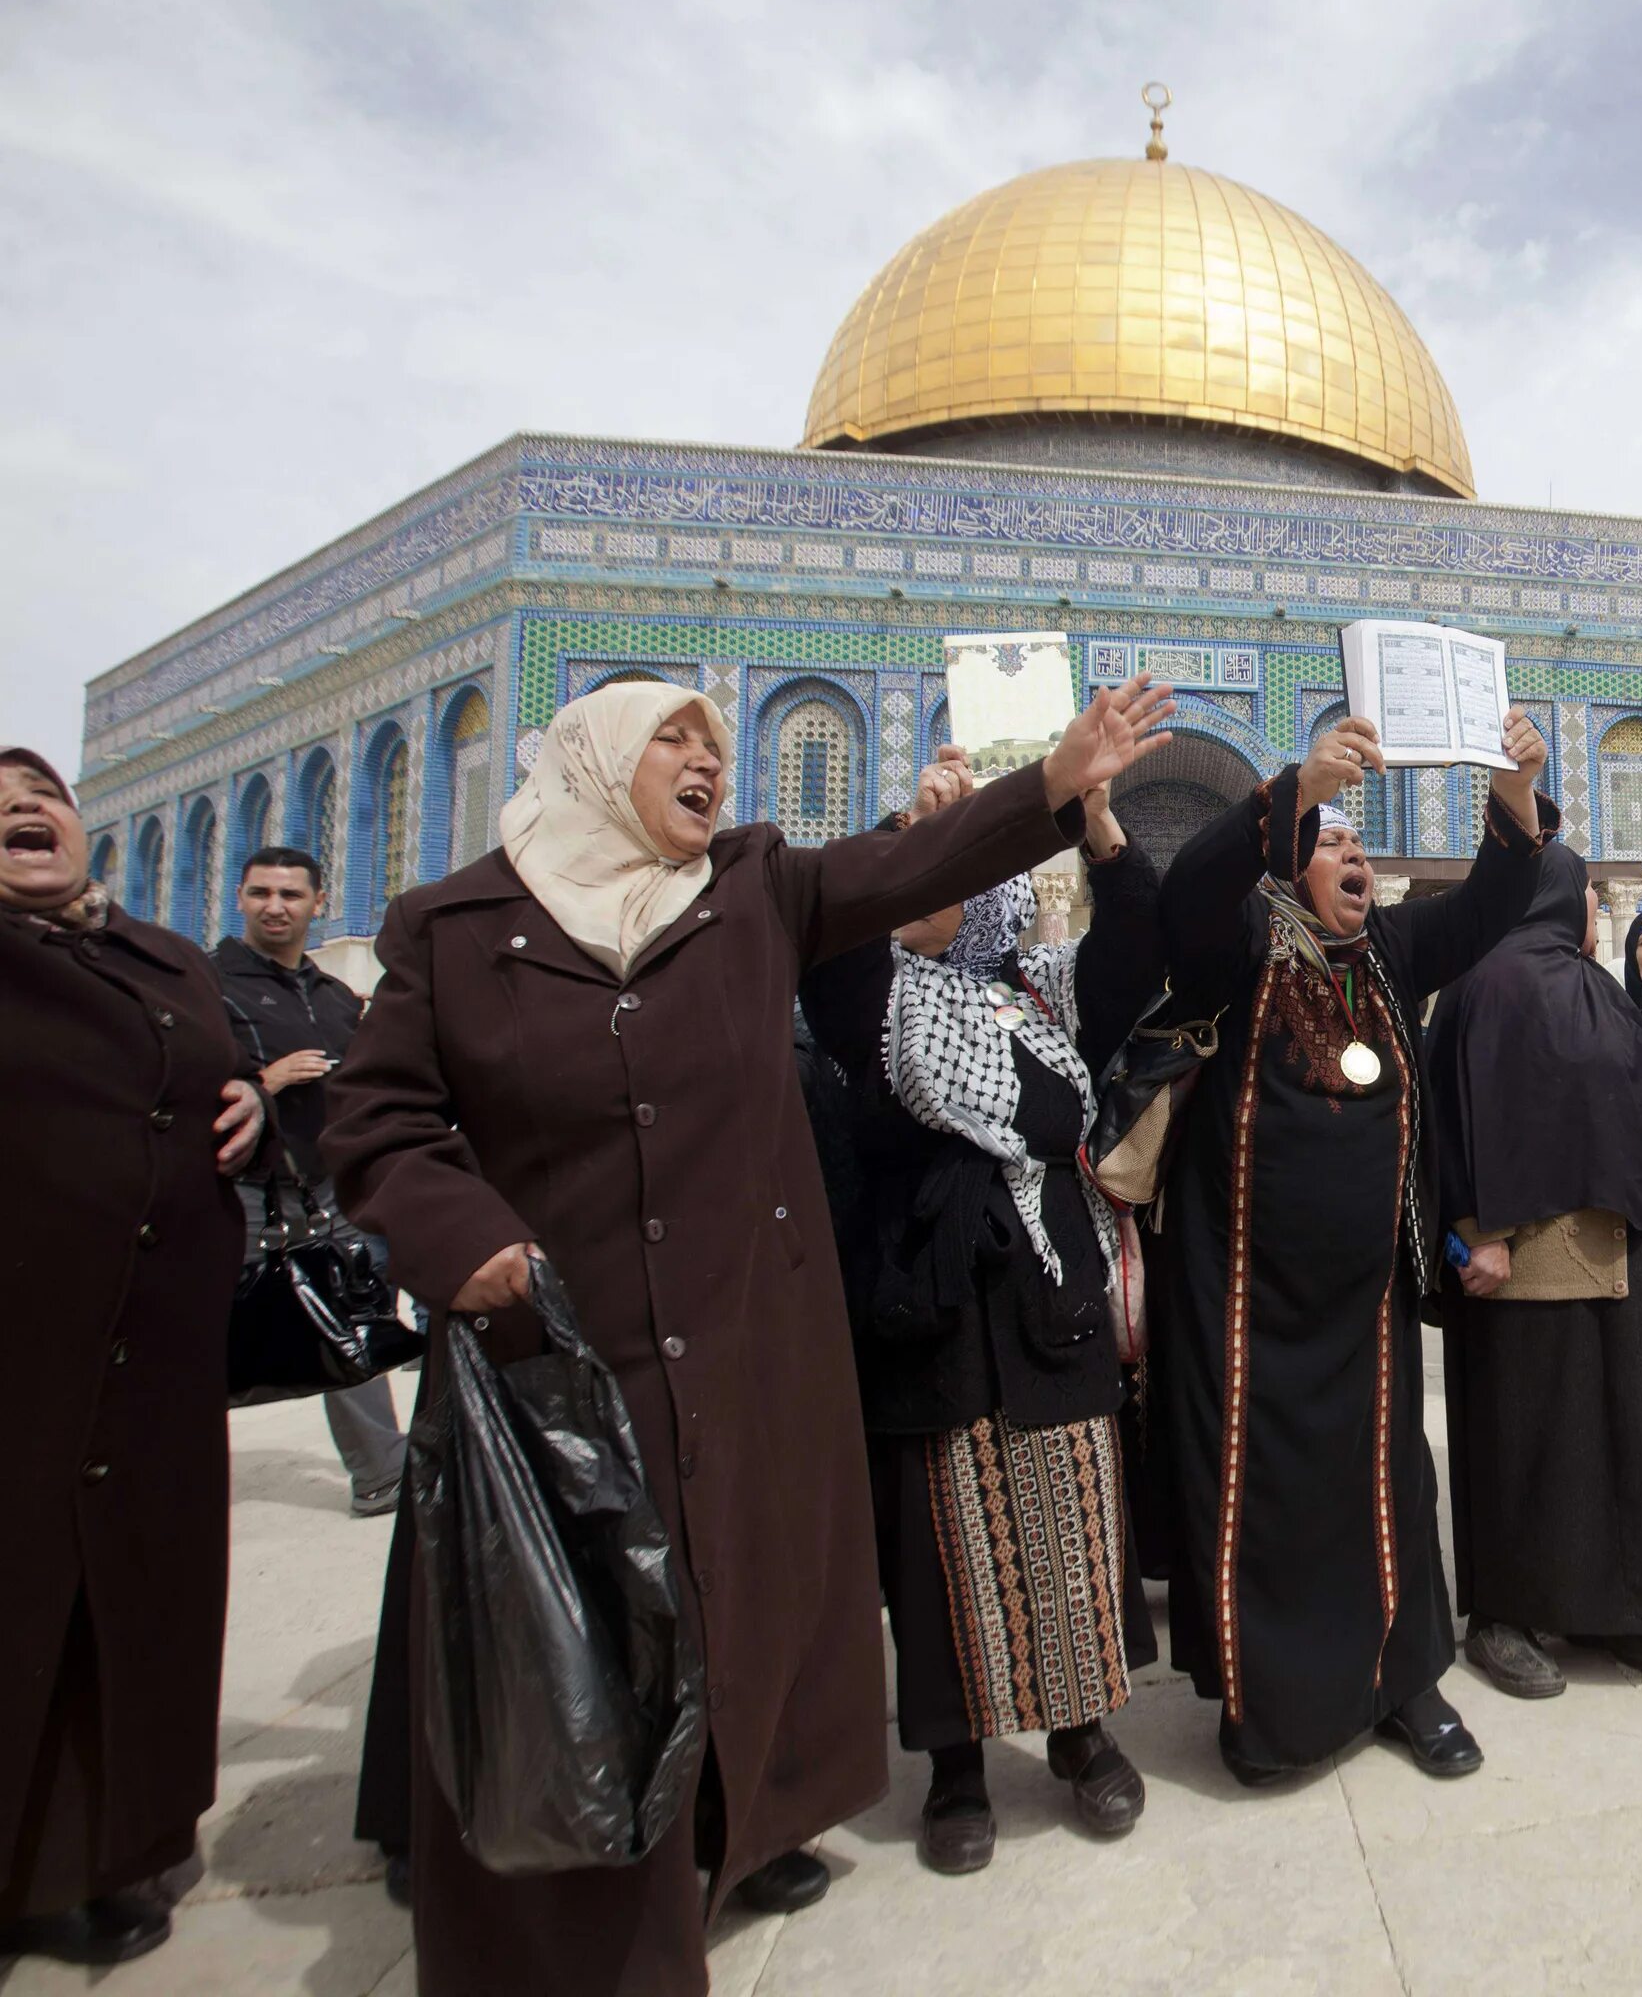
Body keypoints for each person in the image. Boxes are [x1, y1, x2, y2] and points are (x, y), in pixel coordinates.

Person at [322, 675, 1173, 1996]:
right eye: (674, 736)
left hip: (743, 1351)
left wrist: (1056, 787)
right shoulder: (451, 927)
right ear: (594, 762)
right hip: (565, 1369)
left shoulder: (749, 890)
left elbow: (903, 866)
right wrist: (465, 1241)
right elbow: (373, 1124)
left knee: (742, 1624)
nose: (706, 759)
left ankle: (735, 1841)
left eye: (717, 743)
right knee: (589, 1662)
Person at [1147, 709, 1554, 1786]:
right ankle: (1275, 1711)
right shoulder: (1236, 947)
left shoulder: (1388, 953)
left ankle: (1407, 1684)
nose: (1354, 853)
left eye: (1357, 842)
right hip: (1249, 1306)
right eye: (1327, 840)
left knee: (1390, 1492)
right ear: (1283, 858)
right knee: (1268, 1506)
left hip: (1365, 1303)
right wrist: (1292, 787)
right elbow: (1185, 889)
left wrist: (1515, 791)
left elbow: (1491, 904)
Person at [797, 775, 1161, 1872]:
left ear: (992, 898)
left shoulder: (1044, 991)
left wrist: (1098, 826)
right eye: (914, 872)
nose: (919, 888)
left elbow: (1137, 945)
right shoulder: (881, 1000)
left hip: (1051, 1300)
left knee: (1070, 1524)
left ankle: (1079, 1733)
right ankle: (956, 1767)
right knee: (943, 1546)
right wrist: (915, 832)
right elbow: (839, 935)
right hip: (938, 1306)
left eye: (948, 875)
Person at [2, 747, 267, 1968]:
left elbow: (213, 1081)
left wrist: (256, 1105)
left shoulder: (158, 954)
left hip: (156, 1342)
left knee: (140, 1599)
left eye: (41, 790)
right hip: (30, 1338)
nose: (22, 809)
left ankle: (114, 1847)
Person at [1431, 861, 1642, 1698]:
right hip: (1532, 1259)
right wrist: (1476, 1234)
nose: (1599, 909)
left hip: (1623, 1247)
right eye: (1592, 895)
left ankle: (1609, 1606)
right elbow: (1457, 1115)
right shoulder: (1487, 985)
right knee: (1530, 1443)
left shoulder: (1594, 990)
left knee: (1611, 1440)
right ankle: (1504, 1615)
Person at [216, 846, 409, 1517]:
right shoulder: (207, 986)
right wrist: (264, 1083)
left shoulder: (332, 998)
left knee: (347, 1318)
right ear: (239, 897)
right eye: (262, 893)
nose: (276, 907)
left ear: (317, 904)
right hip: (239, 1195)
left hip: (329, 1187)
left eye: (291, 895)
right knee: (207, 1334)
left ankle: (382, 1470)